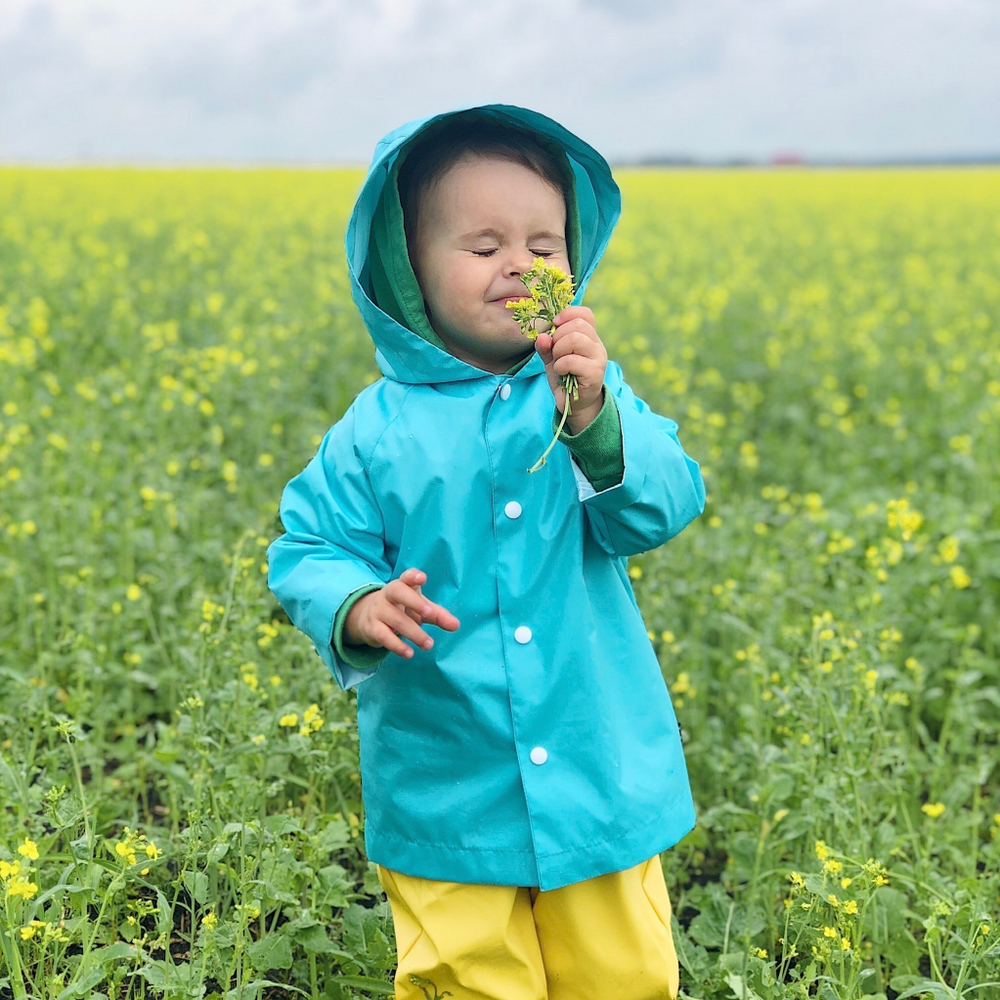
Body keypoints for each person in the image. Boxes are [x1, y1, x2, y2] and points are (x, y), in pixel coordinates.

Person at [266, 102, 707, 1000]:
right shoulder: (374, 431)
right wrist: (355, 604)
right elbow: (308, 545)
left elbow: (659, 510)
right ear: (409, 271)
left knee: (622, 974)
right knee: (463, 977)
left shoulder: (588, 392)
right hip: (445, 776)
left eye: (547, 246)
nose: (523, 265)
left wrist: (595, 420)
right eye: (484, 246)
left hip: (596, 768)